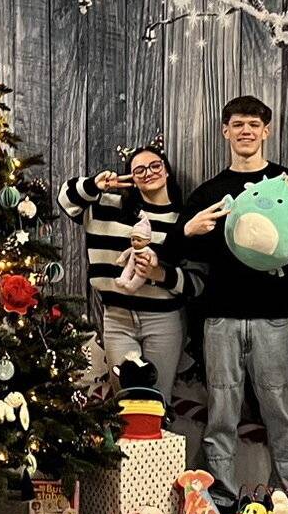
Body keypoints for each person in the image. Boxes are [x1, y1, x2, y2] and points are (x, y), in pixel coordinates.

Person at [182, 96, 288, 507]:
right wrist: (188, 229)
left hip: (274, 318)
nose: (246, 131)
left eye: (254, 124)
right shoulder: (210, 192)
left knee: (281, 413)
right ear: (225, 131)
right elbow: (183, 255)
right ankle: (219, 498)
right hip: (220, 319)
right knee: (221, 413)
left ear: (266, 130)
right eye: (237, 124)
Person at [56, 138, 190, 404]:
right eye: (139, 169)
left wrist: (160, 275)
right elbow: (66, 199)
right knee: (127, 403)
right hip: (117, 320)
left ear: (166, 170)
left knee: (157, 402)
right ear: (131, 177)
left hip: (163, 321)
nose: (148, 172)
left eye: (155, 166)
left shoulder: (181, 219)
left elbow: (195, 282)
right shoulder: (106, 206)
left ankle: (159, 446)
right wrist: (95, 184)